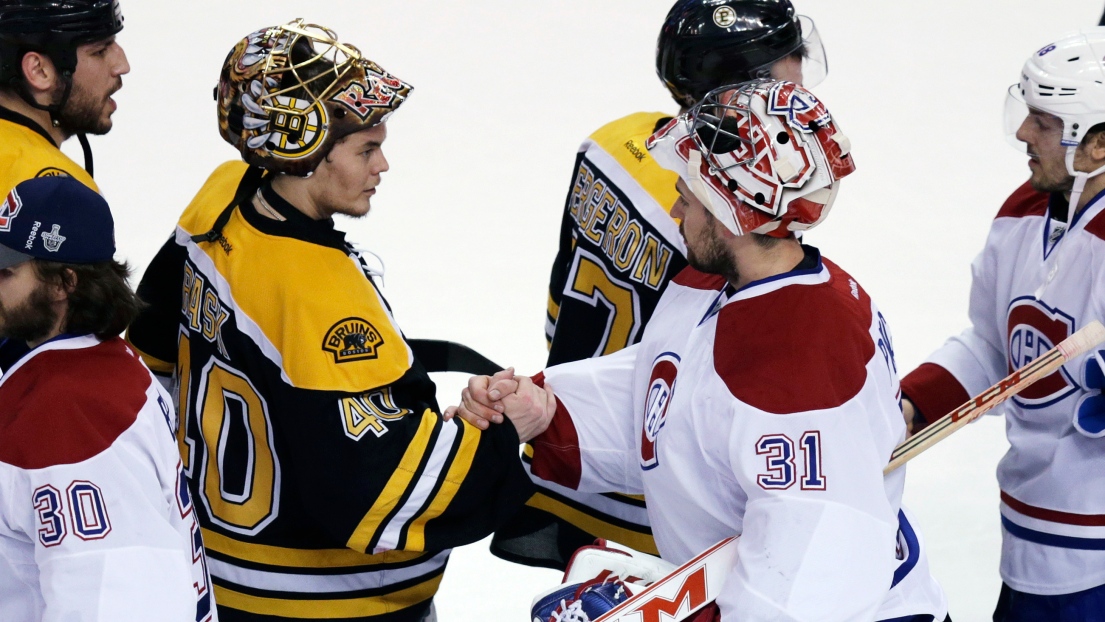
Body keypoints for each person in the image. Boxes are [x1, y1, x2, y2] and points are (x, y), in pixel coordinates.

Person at [451, 80, 949, 621]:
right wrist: (551, 412)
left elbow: (816, 564)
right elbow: (676, 407)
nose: (674, 204)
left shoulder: (803, 360)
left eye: (688, 196)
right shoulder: (710, 285)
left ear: (728, 210)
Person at [125, 20, 532, 622]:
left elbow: (155, 343)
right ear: (307, 157)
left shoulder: (223, 193)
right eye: (366, 148)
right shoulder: (322, 296)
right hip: (318, 602)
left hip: (210, 571)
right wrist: (500, 435)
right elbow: (386, 491)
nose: (383, 164)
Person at [502, 0, 831, 571]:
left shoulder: (613, 140)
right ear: (736, 86)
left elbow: (561, 307)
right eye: (784, 60)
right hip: (654, 497)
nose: (799, 68)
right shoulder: (722, 209)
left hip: (566, 441)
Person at [900, 28, 1105, 621]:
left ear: (1097, 144)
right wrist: (910, 406)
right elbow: (992, 346)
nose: (1023, 133)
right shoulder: (1022, 212)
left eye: (1043, 122)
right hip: (1028, 539)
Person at [0, 176, 215, 621]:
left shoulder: (70, 417)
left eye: (5, 272)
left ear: (63, 283)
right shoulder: (103, 363)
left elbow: (111, 604)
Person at [0, 0, 128, 371]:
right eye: (100, 50)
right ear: (38, 69)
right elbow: (72, 372)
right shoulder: (51, 194)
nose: (121, 64)